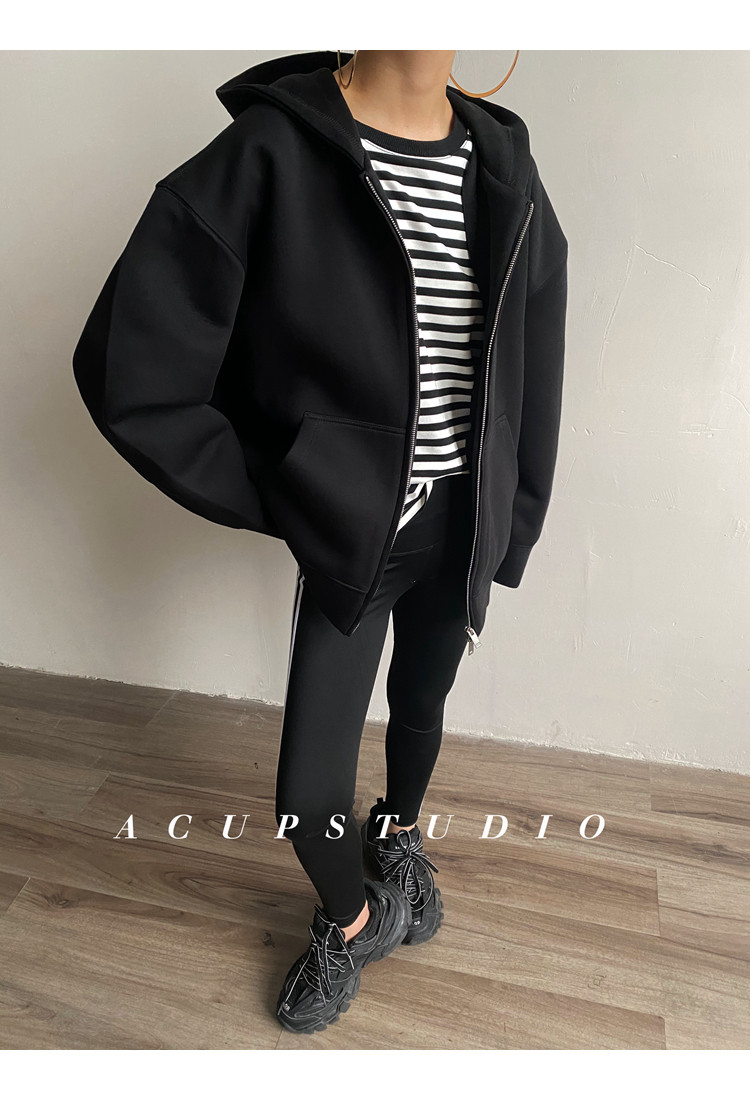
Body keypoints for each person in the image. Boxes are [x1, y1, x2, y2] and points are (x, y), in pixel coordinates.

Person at [72, 49, 568, 1035]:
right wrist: (295, 484)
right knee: (307, 798)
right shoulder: (273, 149)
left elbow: (538, 357)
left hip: (464, 523)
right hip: (356, 533)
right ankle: (356, 918)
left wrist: (516, 517)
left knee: (422, 701)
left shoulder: (506, 165)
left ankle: (401, 836)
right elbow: (132, 365)